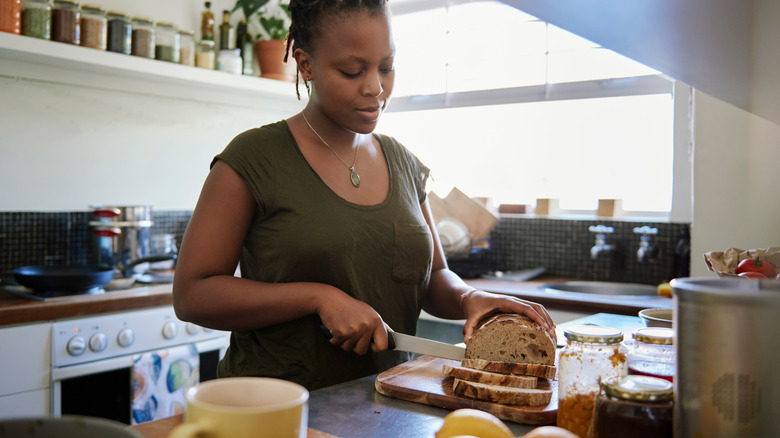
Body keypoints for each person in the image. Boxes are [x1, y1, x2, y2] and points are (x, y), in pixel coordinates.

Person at [172, 0, 556, 391]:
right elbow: (193, 294)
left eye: (386, 67)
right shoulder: (254, 158)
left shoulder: (404, 163)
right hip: (274, 409)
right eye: (353, 71)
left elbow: (433, 276)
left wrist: (468, 297)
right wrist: (317, 298)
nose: (376, 87)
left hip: (387, 405)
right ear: (306, 64)